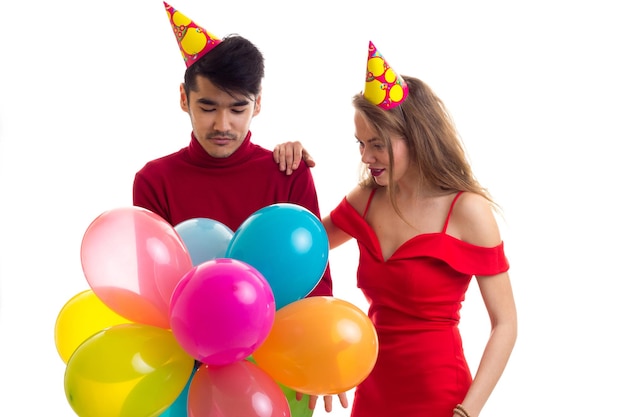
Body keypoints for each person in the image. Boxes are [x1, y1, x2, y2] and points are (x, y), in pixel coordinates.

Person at [275, 42, 517, 417]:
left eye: (377, 144)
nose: (365, 156)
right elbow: (298, 252)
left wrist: (469, 410)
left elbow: (505, 324)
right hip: (372, 391)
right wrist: (286, 169)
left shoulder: (467, 211)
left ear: (416, 137)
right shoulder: (366, 201)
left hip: (441, 397)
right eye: (360, 143)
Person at [133, 3, 346, 412]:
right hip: (187, 366)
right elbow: (155, 291)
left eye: (238, 108)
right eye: (208, 107)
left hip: (276, 363)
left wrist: (324, 355)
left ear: (258, 104)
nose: (223, 125)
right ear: (184, 98)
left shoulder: (287, 172)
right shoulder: (153, 181)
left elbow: (314, 274)